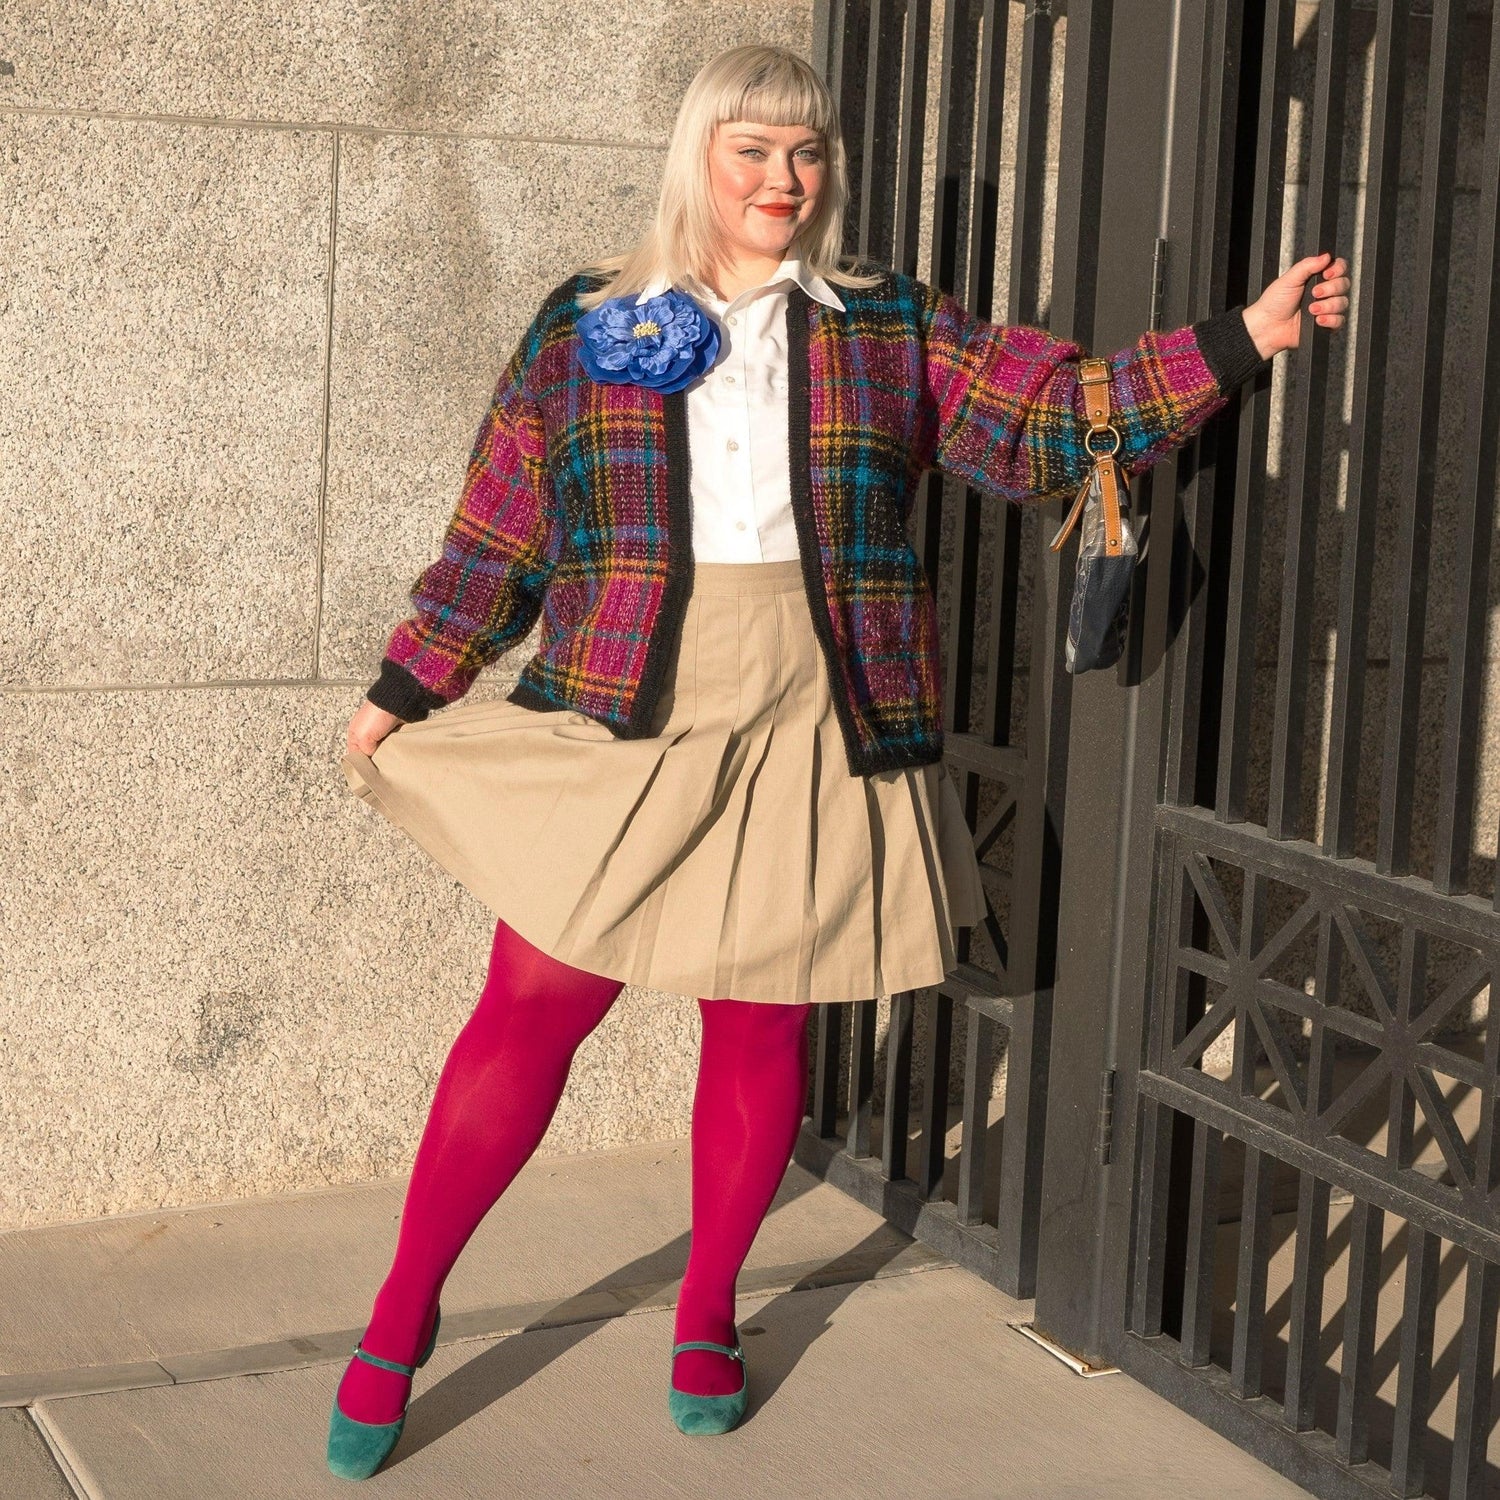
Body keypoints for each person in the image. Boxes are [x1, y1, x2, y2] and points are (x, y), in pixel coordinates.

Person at [326, 42, 1350, 1479]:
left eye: (807, 153)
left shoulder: (884, 323)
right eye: (753, 149)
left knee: (761, 1025)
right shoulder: (588, 321)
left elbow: (1051, 417)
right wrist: (409, 680)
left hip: (820, 703)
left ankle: (706, 1309)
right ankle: (399, 1313)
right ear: (699, 155)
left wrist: (1241, 339)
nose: (784, 178)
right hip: (628, 701)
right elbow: (503, 526)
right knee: (533, 1007)